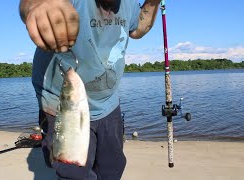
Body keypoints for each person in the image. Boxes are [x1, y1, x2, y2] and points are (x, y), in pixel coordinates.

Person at [19, 0, 160, 179]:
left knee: (112, 168)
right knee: (73, 172)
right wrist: (36, 8)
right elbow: (33, 4)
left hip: (108, 102)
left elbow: (139, 27)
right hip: (62, 101)